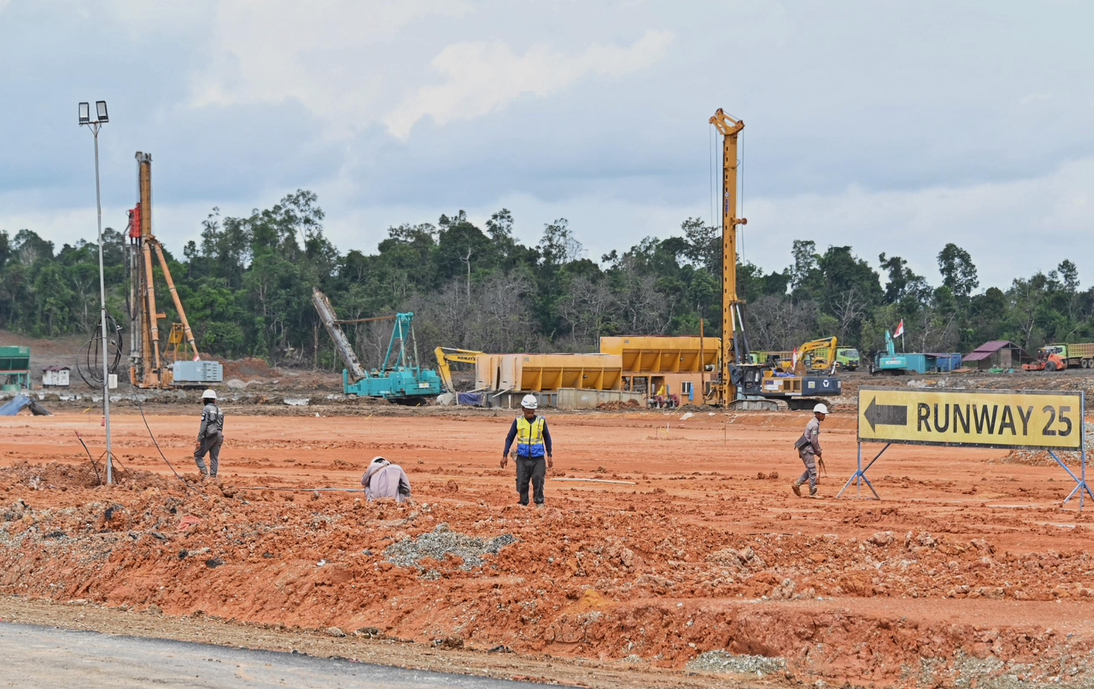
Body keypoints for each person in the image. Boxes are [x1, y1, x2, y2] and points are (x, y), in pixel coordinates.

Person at [502, 394, 553, 508]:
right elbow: (510, 437)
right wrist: (505, 454)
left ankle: (539, 503)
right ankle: (523, 503)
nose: (530, 413)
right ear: (523, 409)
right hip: (522, 458)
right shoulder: (518, 421)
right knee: (522, 481)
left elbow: (547, 438)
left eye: (532, 411)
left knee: (538, 480)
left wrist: (549, 454)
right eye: (528, 411)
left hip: (538, 458)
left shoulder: (541, 421)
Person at [791, 403, 826, 498]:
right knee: (812, 471)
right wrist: (818, 451)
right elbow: (814, 440)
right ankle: (812, 492)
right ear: (818, 414)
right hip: (807, 449)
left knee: (810, 469)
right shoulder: (814, 425)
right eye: (823, 414)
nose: (824, 416)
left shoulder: (812, 422)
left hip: (804, 448)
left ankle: (797, 484)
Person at [194, 389, 224, 478]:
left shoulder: (207, 409)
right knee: (214, 457)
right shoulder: (220, 410)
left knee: (198, 455)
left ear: (205, 400)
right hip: (219, 435)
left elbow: (204, 424)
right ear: (214, 400)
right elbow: (221, 425)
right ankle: (213, 477)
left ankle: (205, 475)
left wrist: (199, 439)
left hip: (210, 435)